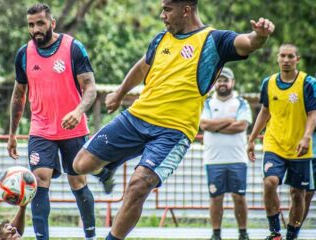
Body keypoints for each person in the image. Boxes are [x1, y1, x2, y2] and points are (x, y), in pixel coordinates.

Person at [72, 0, 275, 239]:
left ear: (186, 10)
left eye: (167, 9)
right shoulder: (161, 39)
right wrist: (119, 93)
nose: (162, 15)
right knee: (80, 165)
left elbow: (247, 42)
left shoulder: (214, 40)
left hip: (172, 132)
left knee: (138, 185)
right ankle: (107, 170)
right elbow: (142, 67)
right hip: (136, 118)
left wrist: (259, 36)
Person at [7, 3, 98, 240]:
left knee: (77, 182)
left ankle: (91, 236)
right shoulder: (23, 54)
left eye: (40, 23)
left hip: (73, 128)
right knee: (38, 181)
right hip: (41, 129)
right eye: (31, 25)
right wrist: (12, 134)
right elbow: (18, 95)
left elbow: (90, 88)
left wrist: (78, 111)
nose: (35, 29)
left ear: (52, 23)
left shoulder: (73, 47)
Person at [247, 43, 316, 240]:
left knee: (297, 193)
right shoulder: (268, 83)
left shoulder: (308, 83)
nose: (286, 60)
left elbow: (313, 113)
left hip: (299, 147)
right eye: (283, 56)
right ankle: (275, 232)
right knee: (270, 182)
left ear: (297, 59)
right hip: (274, 144)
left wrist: (306, 137)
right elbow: (264, 111)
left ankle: (292, 235)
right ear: (277, 58)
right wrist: (251, 139)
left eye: (290, 56)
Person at [200, 67, 252, 240]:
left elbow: (242, 126)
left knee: (239, 197)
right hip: (213, 160)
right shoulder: (207, 102)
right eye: (219, 80)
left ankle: (243, 232)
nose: (222, 83)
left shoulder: (241, 102)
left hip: (237, 159)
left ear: (233, 83)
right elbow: (204, 125)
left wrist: (216, 126)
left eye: (225, 80)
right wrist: (230, 121)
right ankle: (216, 234)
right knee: (216, 198)